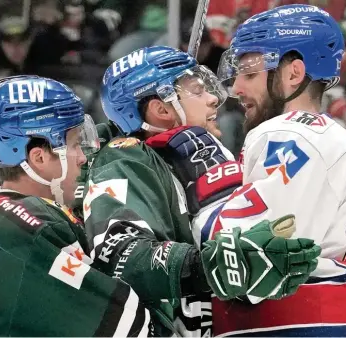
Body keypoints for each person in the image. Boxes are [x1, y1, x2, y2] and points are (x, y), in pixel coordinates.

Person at [75, 45, 321, 337]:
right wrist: (212, 267)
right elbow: (120, 255)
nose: (213, 98)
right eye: (196, 90)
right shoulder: (125, 158)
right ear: (162, 109)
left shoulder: (193, 156)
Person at [179, 4, 346, 337]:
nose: (235, 89)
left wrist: (193, 183)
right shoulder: (322, 135)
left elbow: (244, 257)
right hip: (338, 319)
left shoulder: (290, 135)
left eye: (249, 73)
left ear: (293, 74)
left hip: (303, 325)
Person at [0, 75, 154, 337]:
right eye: (74, 145)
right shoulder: (35, 228)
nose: (83, 157)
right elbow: (136, 326)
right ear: (38, 157)